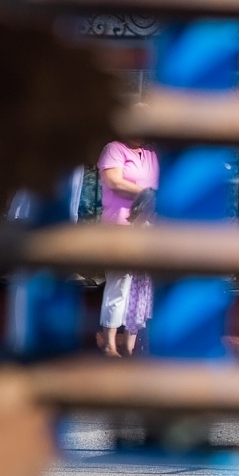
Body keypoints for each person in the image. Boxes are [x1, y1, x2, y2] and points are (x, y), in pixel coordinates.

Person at [97, 137, 158, 356]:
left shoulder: (151, 154)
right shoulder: (114, 149)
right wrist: (146, 193)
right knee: (119, 283)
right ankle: (109, 344)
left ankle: (131, 346)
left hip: (146, 228)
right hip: (119, 227)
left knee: (140, 287)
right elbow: (115, 182)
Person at [121, 188, 155, 356]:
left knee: (137, 315)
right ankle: (133, 349)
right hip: (144, 277)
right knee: (140, 315)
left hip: (142, 277)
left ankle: (131, 350)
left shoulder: (137, 223)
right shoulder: (144, 225)